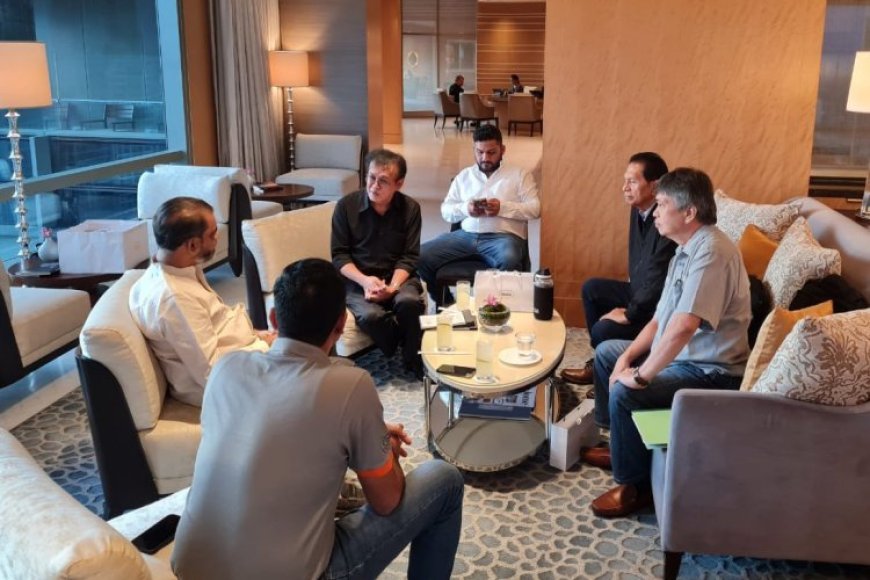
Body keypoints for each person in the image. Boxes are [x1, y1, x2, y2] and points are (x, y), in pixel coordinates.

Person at [171, 258, 465, 579]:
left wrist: (369, 432)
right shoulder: (350, 385)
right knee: (445, 480)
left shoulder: (227, 368)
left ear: (274, 318)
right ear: (341, 324)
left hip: (190, 568)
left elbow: (281, 430)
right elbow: (387, 501)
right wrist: (386, 450)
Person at [583, 167, 750, 519]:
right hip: (684, 357)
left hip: (711, 372)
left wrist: (640, 375)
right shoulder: (684, 250)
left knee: (626, 391)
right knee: (607, 354)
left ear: (689, 213)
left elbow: (685, 326)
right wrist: (627, 357)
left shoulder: (712, 252)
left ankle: (635, 486)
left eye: (661, 205)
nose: (655, 212)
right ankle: (620, 444)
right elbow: (660, 320)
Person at [129, 197, 275, 407]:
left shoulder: (176, 269)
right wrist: (263, 347)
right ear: (193, 245)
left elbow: (215, 329)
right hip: (227, 387)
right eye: (213, 234)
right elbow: (211, 372)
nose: (218, 237)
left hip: (242, 355)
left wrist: (258, 336)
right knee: (312, 377)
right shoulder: (176, 300)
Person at [561, 152, 676, 386]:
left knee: (602, 330)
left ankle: (605, 372)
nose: (624, 188)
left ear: (655, 186)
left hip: (656, 308)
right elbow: (640, 264)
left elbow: (658, 281)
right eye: (625, 181)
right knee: (592, 289)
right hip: (639, 291)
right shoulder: (638, 208)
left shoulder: (666, 219)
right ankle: (599, 364)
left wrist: (629, 314)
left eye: (632, 181)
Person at [418, 124, 540, 307]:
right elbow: (446, 211)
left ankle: (495, 310)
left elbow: (535, 209)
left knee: (509, 258)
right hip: (465, 237)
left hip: (503, 238)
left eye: (491, 152)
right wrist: (466, 209)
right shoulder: (464, 176)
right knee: (419, 256)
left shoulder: (519, 175)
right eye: (480, 152)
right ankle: (447, 303)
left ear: (502, 150)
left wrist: (502, 208)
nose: (485, 158)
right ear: (474, 150)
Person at [332, 148, 426, 373]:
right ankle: (405, 342)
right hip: (357, 280)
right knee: (371, 316)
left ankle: (413, 361)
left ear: (399, 184)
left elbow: (410, 256)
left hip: (399, 277)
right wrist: (366, 281)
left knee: (409, 302)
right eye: (371, 177)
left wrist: (393, 287)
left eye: (383, 181)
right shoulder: (346, 207)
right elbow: (339, 255)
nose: (374, 186)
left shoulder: (411, 208)